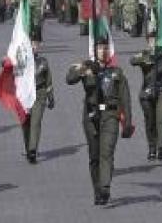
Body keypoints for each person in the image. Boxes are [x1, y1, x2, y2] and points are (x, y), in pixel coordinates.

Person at [66, 37, 134, 205]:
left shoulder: (117, 72)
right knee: (94, 156)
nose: (103, 51)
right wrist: (85, 68)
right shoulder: (88, 69)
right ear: (94, 51)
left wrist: (127, 123)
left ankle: (105, 187)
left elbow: (125, 99)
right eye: (100, 48)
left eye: (106, 48)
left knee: (107, 152)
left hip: (110, 115)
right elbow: (70, 79)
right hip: (91, 117)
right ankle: (97, 190)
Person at [130, 35, 162, 161]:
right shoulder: (145, 55)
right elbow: (133, 61)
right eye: (151, 41)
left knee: (161, 119)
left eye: (156, 40)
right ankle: (152, 147)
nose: (153, 43)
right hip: (148, 93)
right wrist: (145, 58)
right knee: (150, 121)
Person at [22, 37, 54, 164]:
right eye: (31, 44)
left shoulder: (43, 62)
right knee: (25, 124)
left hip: (39, 94)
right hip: (25, 96)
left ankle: (33, 150)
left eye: (36, 44)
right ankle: (28, 146)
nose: (34, 46)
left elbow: (49, 81)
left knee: (36, 122)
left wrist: (51, 97)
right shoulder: (22, 61)